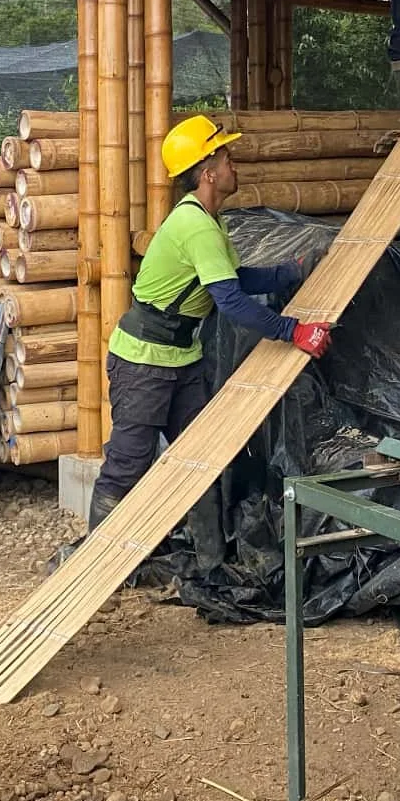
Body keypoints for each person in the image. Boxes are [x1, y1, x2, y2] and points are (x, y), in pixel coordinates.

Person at [91, 114, 334, 530]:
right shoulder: (195, 226)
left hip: (181, 357)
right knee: (127, 465)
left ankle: (209, 559)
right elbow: (232, 302)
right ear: (208, 173)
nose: (233, 166)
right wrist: (294, 331)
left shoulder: (210, 221)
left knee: (200, 459)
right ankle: (95, 560)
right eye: (226, 159)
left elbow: (233, 278)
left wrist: (290, 273)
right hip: (144, 361)